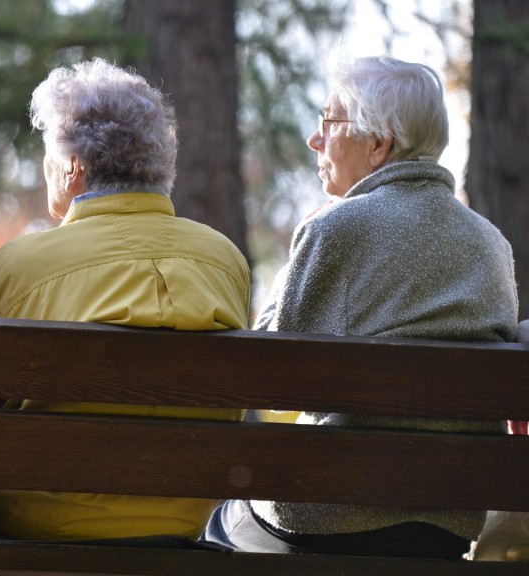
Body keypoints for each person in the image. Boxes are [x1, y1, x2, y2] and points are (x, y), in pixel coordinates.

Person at [202, 56, 519, 559]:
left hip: (331, 513)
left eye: (329, 122)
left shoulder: (335, 229)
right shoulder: (492, 245)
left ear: (378, 144)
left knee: (222, 525)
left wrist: (309, 239)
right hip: (448, 519)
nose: (315, 139)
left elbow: (271, 386)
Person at [0, 58, 251, 542]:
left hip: (39, 522)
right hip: (179, 518)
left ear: (72, 167)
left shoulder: (8, 272)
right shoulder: (225, 261)